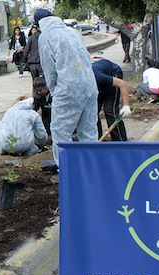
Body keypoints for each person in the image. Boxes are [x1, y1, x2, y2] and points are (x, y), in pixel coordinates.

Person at [34, 8, 98, 166]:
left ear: (40, 24)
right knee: (88, 133)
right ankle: (91, 169)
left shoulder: (46, 37)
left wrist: (56, 91)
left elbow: (49, 69)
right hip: (90, 86)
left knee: (61, 133)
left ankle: (66, 172)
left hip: (68, 87)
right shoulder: (73, 32)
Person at [91, 57, 132, 141]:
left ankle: (120, 141)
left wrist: (126, 106)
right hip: (98, 81)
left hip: (112, 73)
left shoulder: (98, 76)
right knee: (93, 112)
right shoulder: (83, 81)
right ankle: (97, 140)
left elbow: (122, 84)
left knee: (110, 110)